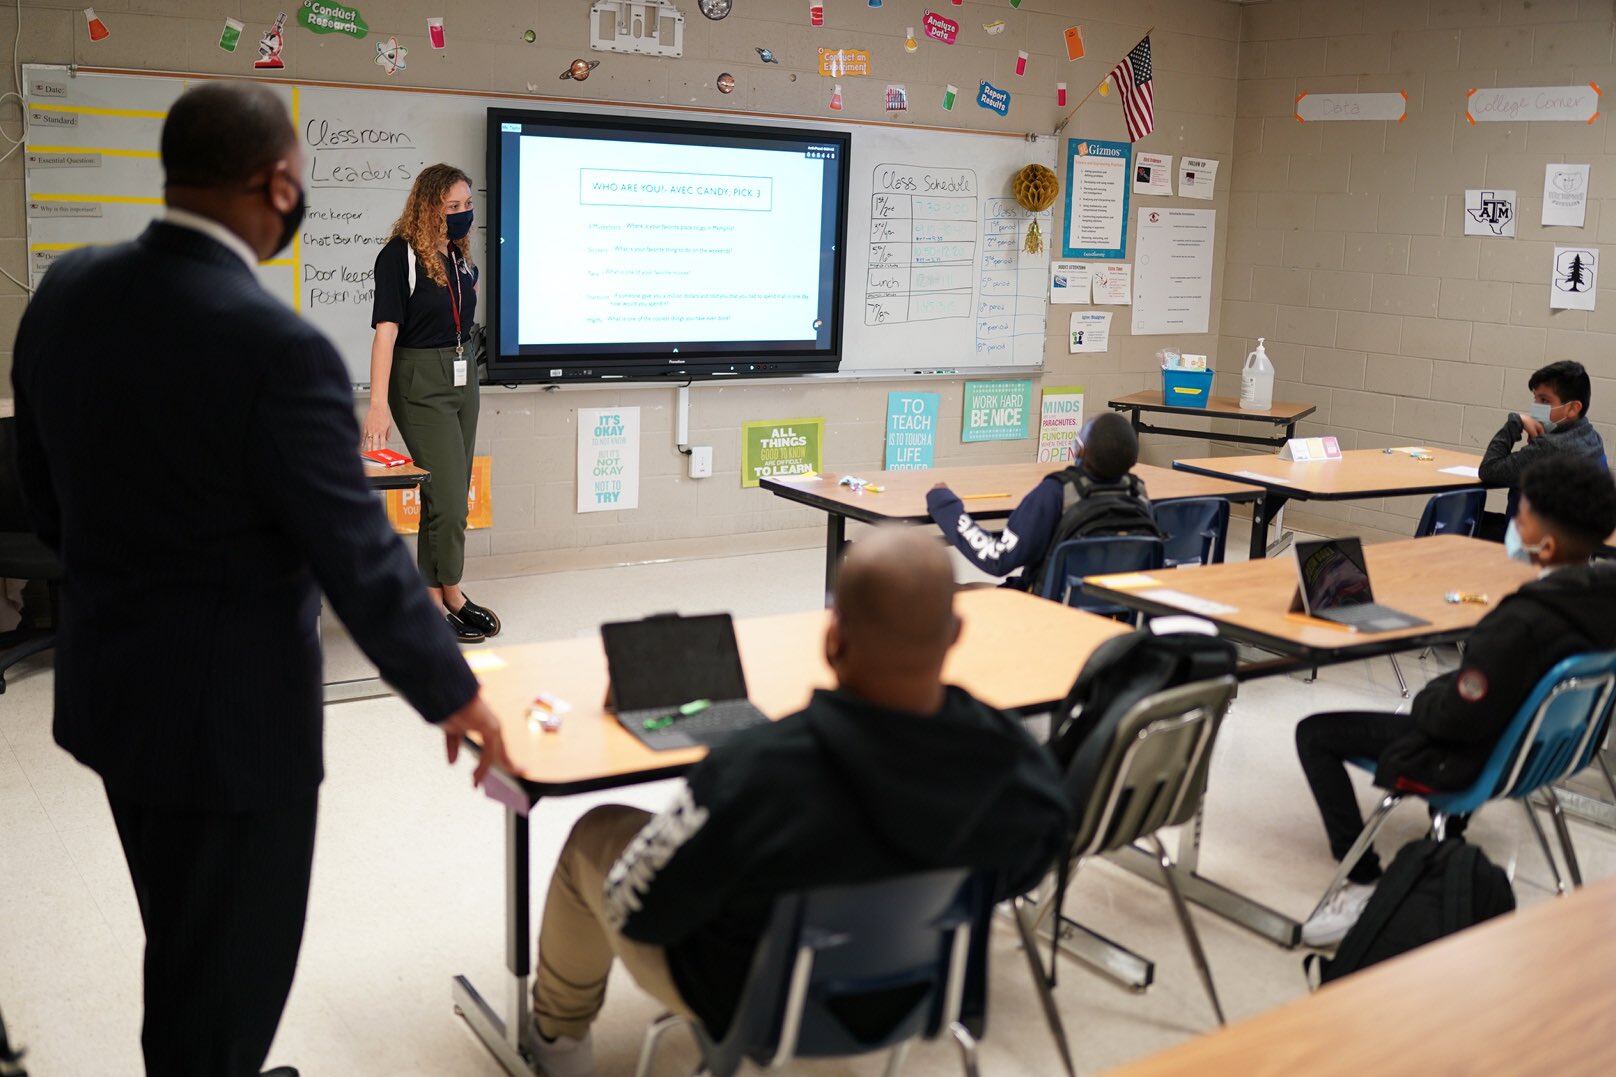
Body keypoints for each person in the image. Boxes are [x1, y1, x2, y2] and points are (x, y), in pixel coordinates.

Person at [10, 82, 511, 1077]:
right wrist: (454, 694)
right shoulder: (276, 349)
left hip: (113, 691)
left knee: (182, 926)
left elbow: (44, 489)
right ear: (279, 182)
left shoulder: (68, 290)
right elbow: (358, 557)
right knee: (233, 971)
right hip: (234, 731)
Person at [521, 528, 1071, 1077]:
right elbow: (1039, 850)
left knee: (593, 835)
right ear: (955, 633)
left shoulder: (756, 770)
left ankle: (556, 1041)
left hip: (753, 1002)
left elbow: (639, 912)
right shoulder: (1008, 758)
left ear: (832, 640)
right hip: (928, 988)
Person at [1294, 455, 1616, 946]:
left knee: (1314, 732)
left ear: (1545, 543)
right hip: (1540, 755)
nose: (1513, 522)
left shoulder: (1521, 623)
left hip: (1475, 758)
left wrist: (1430, 695)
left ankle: (1361, 881)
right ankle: (1446, 839)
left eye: (1522, 512)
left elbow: (1454, 718)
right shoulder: (1600, 600)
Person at [364, 164, 499, 643]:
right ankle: (444, 596)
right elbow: (386, 333)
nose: (463, 215)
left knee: (450, 494)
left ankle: (440, 593)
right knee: (443, 495)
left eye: (467, 205)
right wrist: (378, 405)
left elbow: (460, 319)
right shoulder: (398, 256)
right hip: (418, 379)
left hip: (463, 379)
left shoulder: (460, 260)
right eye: (452, 207)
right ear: (428, 208)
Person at [926, 411, 1159, 593]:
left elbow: (998, 559)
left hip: (1053, 605)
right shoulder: (1137, 491)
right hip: (1119, 606)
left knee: (957, 591)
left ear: (1080, 452)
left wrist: (944, 504)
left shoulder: (1056, 492)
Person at [1477, 360, 1607, 540]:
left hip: (1531, 548)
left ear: (1572, 408)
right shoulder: (1592, 437)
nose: (1536, 408)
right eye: (1535, 399)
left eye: (1544, 400)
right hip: (1574, 544)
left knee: (1461, 523)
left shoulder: (1550, 446)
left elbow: (1488, 470)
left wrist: (1515, 422)